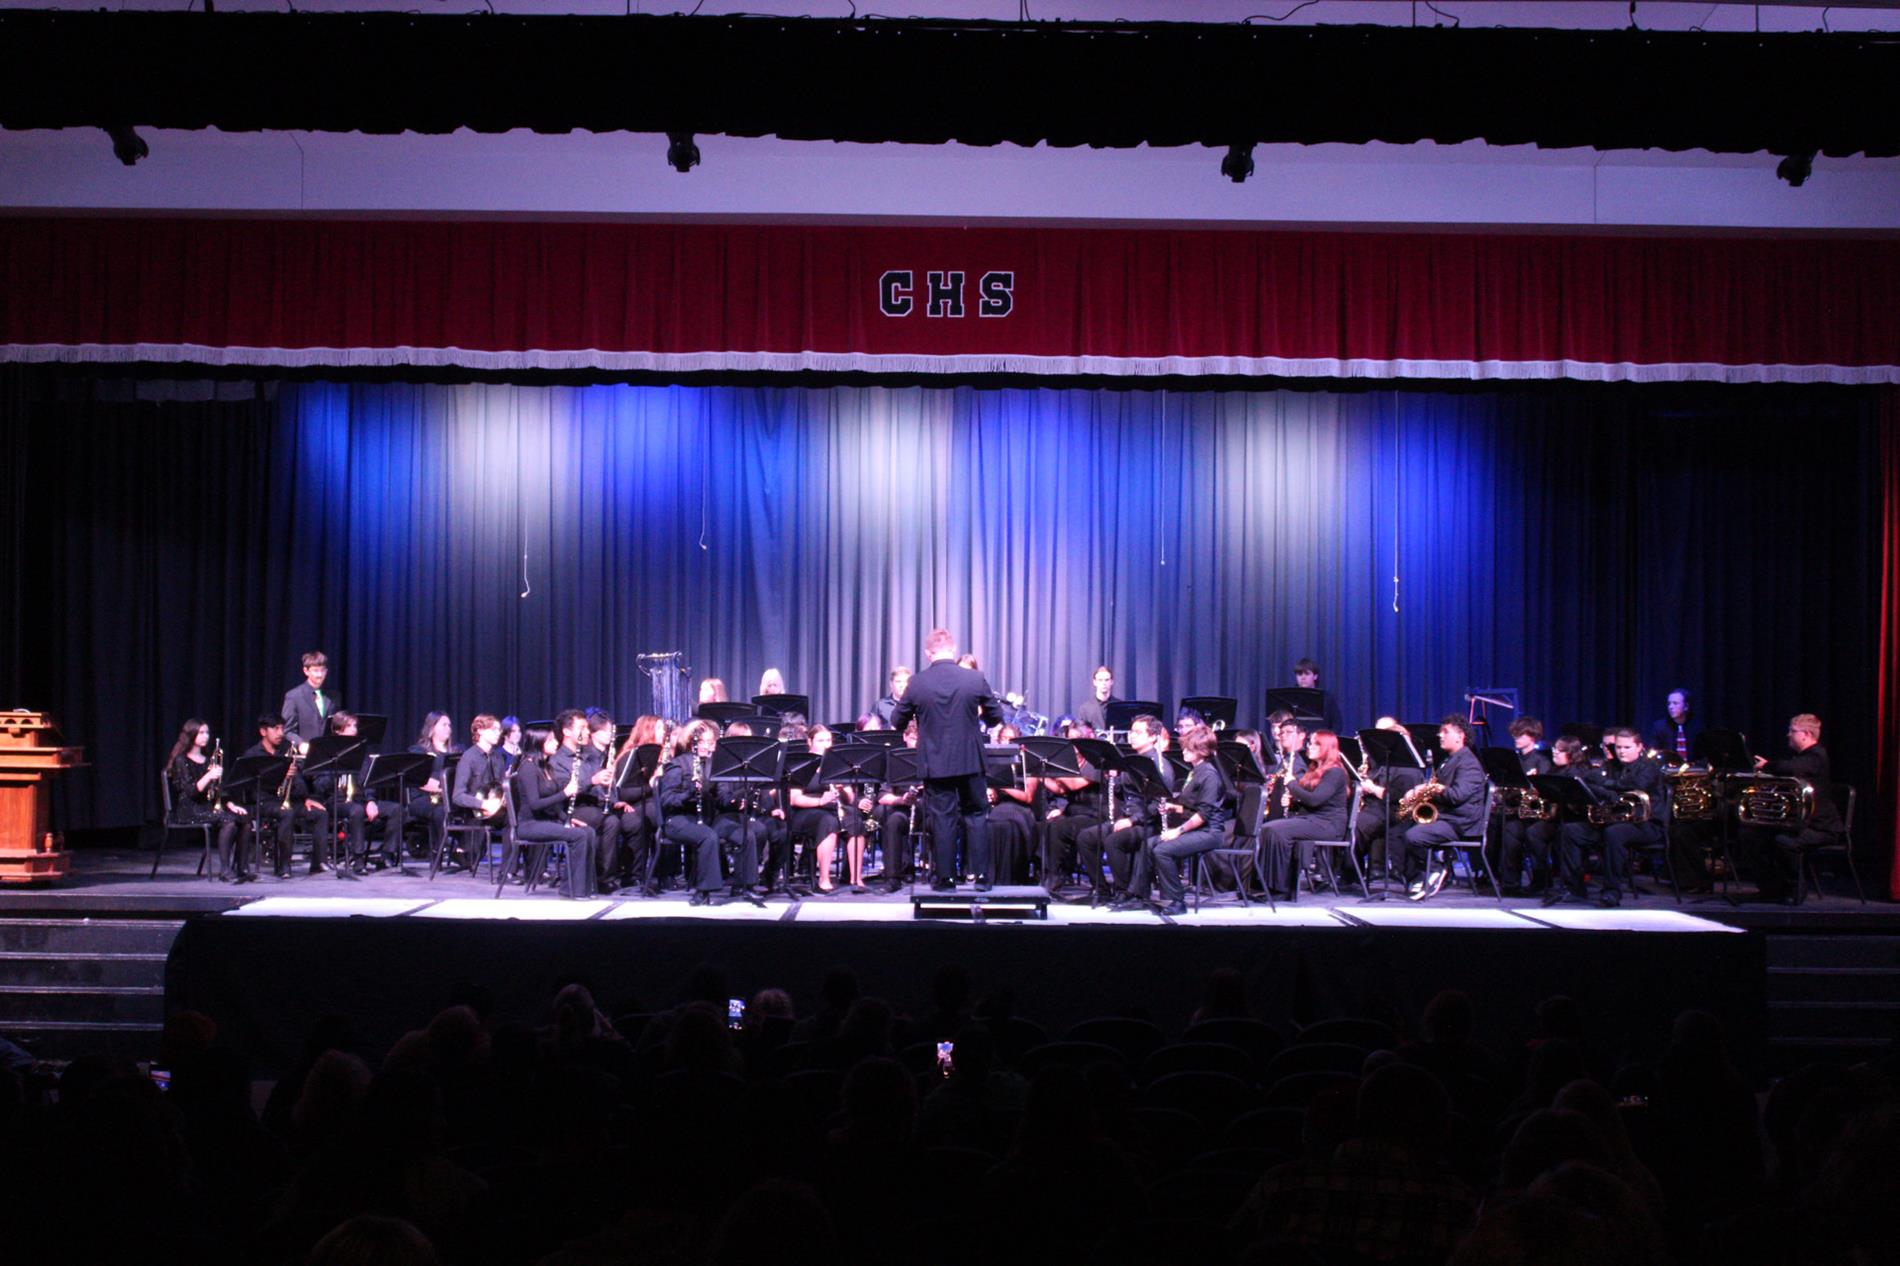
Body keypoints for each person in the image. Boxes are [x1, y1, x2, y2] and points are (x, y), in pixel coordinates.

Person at [891, 628, 1005, 892]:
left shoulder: (917, 683)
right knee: (976, 814)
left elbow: (897, 722)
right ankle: (981, 878)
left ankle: (945, 879)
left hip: (936, 763)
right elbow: (996, 717)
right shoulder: (974, 679)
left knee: (943, 818)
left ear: (927, 653)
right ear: (953, 650)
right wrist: (979, 716)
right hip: (970, 760)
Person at [1548, 727, 1668, 908]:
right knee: (1570, 830)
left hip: (1646, 825)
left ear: (1639, 747)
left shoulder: (1649, 767)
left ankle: (1611, 892)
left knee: (1614, 834)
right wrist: (1608, 791)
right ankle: (1574, 889)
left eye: (1627, 747)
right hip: (1613, 820)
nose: (1621, 751)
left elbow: (1635, 785)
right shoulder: (1610, 766)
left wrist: (1606, 785)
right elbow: (1588, 780)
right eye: (1618, 747)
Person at [1119, 725, 1232, 916]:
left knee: (1163, 850)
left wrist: (1177, 831)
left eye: (1189, 748)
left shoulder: (1210, 775)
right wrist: (1173, 807)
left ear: (1202, 751)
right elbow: (1192, 807)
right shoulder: (1196, 771)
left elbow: (1204, 815)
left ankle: (1177, 901)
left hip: (1210, 832)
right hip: (1197, 828)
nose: (1184, 751)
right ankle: (1138, 895)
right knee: (1149, 844)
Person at [1739, 713, 1845, 904]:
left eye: (1792, 731)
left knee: (1784, 841)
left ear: (1805, 734)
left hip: (1822, 828)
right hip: (1802, 824)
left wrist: (1768, 765)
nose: (1788, 735)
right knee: (1751, 836)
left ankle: (1794, 890)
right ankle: (1770, 888)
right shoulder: (1805, 756)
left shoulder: (1816, 756)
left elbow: (1792, 768)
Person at [1074, 713, 1173, 904]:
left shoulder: (1159, 765)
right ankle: (1102, 890)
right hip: (1127, 819)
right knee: (1086, 837)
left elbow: (1157, 804)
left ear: (1153, 736)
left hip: (1147, 823)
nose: (1132, 736)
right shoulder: (1133, 761)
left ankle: (1127, 891)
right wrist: (1113, 778)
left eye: (1138, 732)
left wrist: (1132, 820)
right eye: (1131, 732)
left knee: (1113, 841)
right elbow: (1124, 792)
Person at [1401, 716, 1488, 901]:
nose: (1440, 735)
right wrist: (1421, 791)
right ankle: (1419, 874)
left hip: (1460, 822)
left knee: (1414, 836)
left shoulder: (1469, 763)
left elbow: (1457, 796)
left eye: (1445, 732)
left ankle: (1435, 868)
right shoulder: (1450, 760)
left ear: (1460, 736)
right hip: (1447, 817)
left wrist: (1435, 789)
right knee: (1402, 826)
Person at [1260, 729, 1352, 900]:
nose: (1309, 747)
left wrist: (1292, 785)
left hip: (1329, 824)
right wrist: (1293, 802)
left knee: (1277, 830)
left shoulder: (1335, 772)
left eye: (1315, 744)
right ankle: (1266, 884)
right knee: (1267, 828)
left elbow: (1315, 800)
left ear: (1326, 748)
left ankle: (1281, 889)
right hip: (1314, 820)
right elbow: (1309, 800)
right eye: (1310, 743)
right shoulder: (1314, 769)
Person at [510, 725, 597, 899]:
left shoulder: (546, 767)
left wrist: (567, 819)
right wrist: (564, 793)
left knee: (588, 831)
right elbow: (535, 804)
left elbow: (554, 806)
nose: (556, 743)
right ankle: (570, 889)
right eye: (550, 740)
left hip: (546, 821)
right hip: (529, 824)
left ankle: (585, 888)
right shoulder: (527, 768)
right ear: (538, 742)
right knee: (578, 836)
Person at [242, 712, 330, 878]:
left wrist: (305, 799)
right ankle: (284, 864)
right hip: (266, 801)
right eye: (275, 729)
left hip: (290, 800)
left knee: (321, 813)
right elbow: (252, 786)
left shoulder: (286, 751)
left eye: (282, 728)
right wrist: (281, 774)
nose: (280, 733)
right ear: (263, 732)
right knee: (286, 814)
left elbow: (299, 782)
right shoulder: (253, 754)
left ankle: (318, 863)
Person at [164, 717, 249, 882]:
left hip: (207, 807)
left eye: (207, 732)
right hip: (189, 809)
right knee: (228, 821)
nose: (205, 736)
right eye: (201, 732)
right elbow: (191, 792)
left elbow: (219, 790)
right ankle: (224, 870)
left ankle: (241, 867)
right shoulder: (181, 760)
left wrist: (230, 804)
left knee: (244, 819)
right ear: (191, 735)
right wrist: (209, 775)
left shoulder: (208, 760)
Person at [657, 719, 732, 905]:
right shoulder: (678, 764)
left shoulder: (714, 765)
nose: (709, 747)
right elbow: (667, 800)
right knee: (708, 837)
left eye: (712, 742)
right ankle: (703, 891)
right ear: (693, 743)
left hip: (705, 818)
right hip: (677, 820)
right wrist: (689, 792)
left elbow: (722, 796)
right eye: (705, 742)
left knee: (740, 830)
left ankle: (743, 884)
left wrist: (734, 800)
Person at [1496, 716, 1554, 895]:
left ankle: (1540, 882)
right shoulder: (1514, 761)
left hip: (1536, 815)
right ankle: (1510, 883)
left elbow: (1544, 790)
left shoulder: (1541, 761)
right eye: (1515, 734)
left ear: (1533, 736)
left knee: (1533, 835)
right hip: (1518, 811)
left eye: (1521, 735)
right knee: (1509, 832)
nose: (1516, 738)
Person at [446, 714, 509, 873]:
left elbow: (500, 785)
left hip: (496, 808)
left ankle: (511, 867)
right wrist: (483, 804)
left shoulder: (497, 756)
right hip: (475, 812)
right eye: (493, 729)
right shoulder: (469, 758)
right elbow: (458, 796)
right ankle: (464, 853)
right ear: (480, 731)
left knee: (520, 817)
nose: (498, 733)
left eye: (499, 730)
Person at [406, 711, 455, 858]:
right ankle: (439, 851)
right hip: (422, 799)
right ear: (432, 728)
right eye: (444, 724)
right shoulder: (418, 751)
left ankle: (465, 850)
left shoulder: (455, 752)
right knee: (441, 811)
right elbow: (419, 780)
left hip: (448, 798)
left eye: (449, 725)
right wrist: (444, 788)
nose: (448, 728)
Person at [280, 649, 337, 746]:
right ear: (306, 671)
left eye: (322, 670)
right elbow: (287, 730)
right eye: (315, 670)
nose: (320, 675)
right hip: (305, 756)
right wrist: (301, 744)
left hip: (328, 754)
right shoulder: (294, 696)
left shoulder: (334, 696)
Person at [1646, 688, 1703, 763]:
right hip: (1668, 770)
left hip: (1692, 770)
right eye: (1669, 703)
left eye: (1675, 703)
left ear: (1686, 706)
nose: (1671, 707)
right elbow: (1653, 752)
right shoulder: (1660, 727)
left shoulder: (1696, 727)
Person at [1291, 657, 1343, 735]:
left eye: (1307, 674)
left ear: (1315, 676)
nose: (1303, 677)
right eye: (1299, 674)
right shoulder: (1290, 697)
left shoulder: (1327, 697)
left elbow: (1337, 724)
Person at [1075, 665, 1118, 735]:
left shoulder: (1120, 706)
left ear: (1111, 682)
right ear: (1095, 682)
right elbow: (1082, 734)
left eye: (1107, 680)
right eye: (1100, 680)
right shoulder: (1085, 709)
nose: (1104, 683)